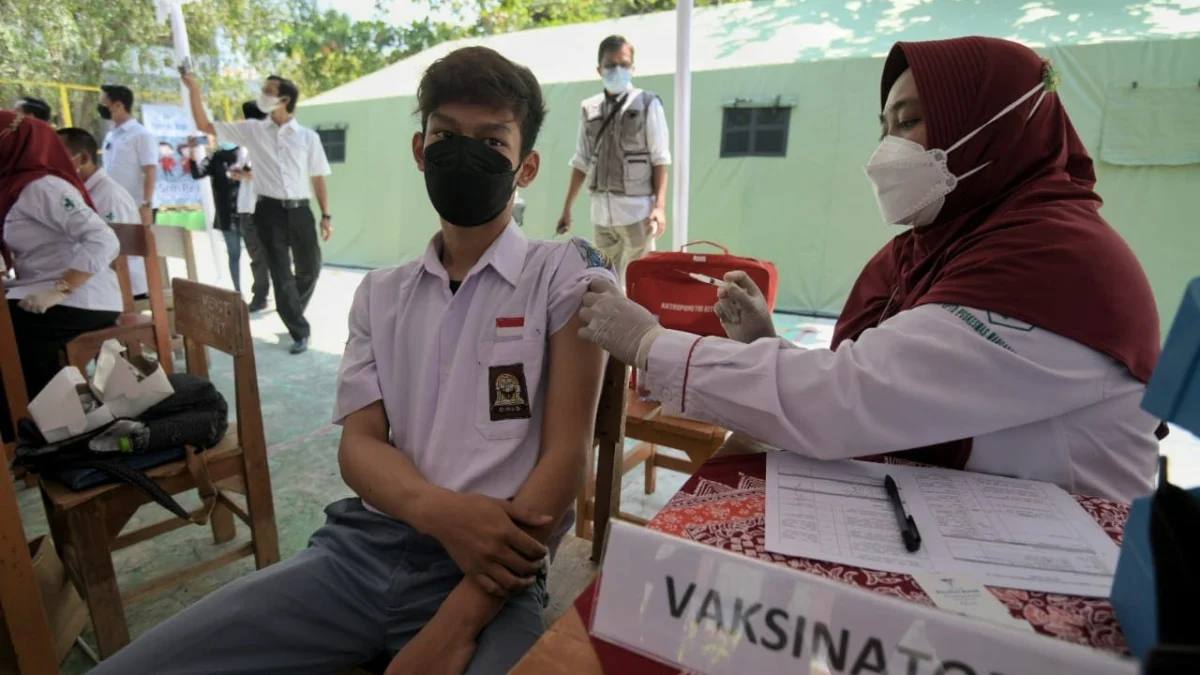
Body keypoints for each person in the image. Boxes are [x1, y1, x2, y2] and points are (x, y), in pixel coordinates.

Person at [91, 46, 614, 675]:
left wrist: (459, 618)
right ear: (421, 150)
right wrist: (439, 513)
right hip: (360, 552)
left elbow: (566, 457)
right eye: (445, 135)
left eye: (492, 141)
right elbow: (360, 447)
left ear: (526, 167)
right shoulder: (382, 293)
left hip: (495, 574)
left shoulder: (563, 274)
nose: (462, 153)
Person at [576, 36, 1163, 504]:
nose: (886, 150)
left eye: (909, 122)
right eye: (884, 127)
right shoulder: (945, 244)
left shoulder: (1054, 264)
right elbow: (899, 384)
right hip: (978, 510)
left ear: (991, 122)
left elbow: (848, 400)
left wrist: (651, 343)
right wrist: (767, 346)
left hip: (1070, 553)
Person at [180, 72, 331, 354]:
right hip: (268, 210)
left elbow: (319, 177)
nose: (262, 94)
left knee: (310, 267)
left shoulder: (308, 138)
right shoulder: (253, 129)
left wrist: (326, 215)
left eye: (268, 90)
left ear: (285, 99)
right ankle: (299, 329)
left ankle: (292, 311)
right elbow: (204, 124)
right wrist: (195, 90)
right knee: (281, 273)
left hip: (301, 210)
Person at [1, 112, 121, 438]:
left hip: (83, 296)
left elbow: (104, 239)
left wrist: (60, 288)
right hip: (44, 288)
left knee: (12, 331)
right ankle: (28, 427)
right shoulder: (12, 188)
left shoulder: (43, 187)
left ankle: (55, 431)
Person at [557, 34, 671, 288]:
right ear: (599, 69)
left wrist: (659, 207)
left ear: (633, 67)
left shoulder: (647, 103)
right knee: (605, 279)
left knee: (639, 279)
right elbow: (581, 159)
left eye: (624, 64)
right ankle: (611, 326)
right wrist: (567, 208)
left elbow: (660, 157)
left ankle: (640, 327)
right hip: (601, 213)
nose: (617, 70)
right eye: (610, 65)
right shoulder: (590, 108)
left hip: (637, 210)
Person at [55, 127, 145, 297]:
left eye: (58, 158)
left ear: (82, 158)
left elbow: (114, 256)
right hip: (96, 281)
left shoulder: (110, 196)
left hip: (123, 287)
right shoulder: (81, 193)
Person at [229, 100, 271, 310]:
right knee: (257, 256)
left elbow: (262, 173)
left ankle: (262, 296)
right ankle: (262, 294)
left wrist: (244, 174)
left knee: (263, 256)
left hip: (260, 206)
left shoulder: (265, 142)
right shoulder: (246, 146)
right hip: (246, 205)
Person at [188, 133, 243, 293]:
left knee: (259, 256)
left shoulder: (244, 153)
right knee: (234, 254)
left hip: (248, 213)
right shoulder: (215, 158)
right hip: (227, 215)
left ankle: (261, 292)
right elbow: (197, 173)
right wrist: (192, 151)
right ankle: (238, 291)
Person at [98, 84, 156, 227]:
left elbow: (150, 170)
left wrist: (146, 204)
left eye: (104, 104)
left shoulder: (141, 135)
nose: (100, 108)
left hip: (134, 206)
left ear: (118, 105)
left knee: (135, 247)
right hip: (112, 203)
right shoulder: (111, 134)